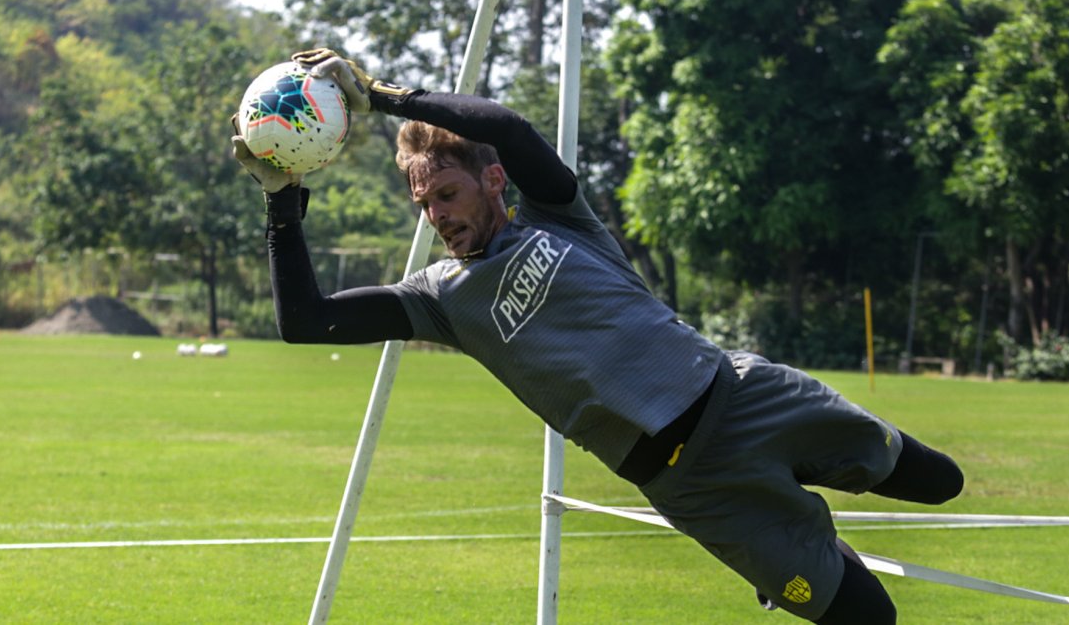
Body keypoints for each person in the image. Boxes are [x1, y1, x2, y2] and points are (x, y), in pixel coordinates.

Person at [231, 48, 965, 624]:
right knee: (870, 615)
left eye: (446, 194)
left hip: (746, 396)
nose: (437, 216)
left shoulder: (560, 217)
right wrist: (281, 202)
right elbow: (308, 320)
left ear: (493, 182)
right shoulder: (440, 299)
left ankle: (805, 518)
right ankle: (801, 544)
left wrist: (382, 96)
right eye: (424, 205)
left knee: (939, 482)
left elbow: (510, 130)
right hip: (695, 484)